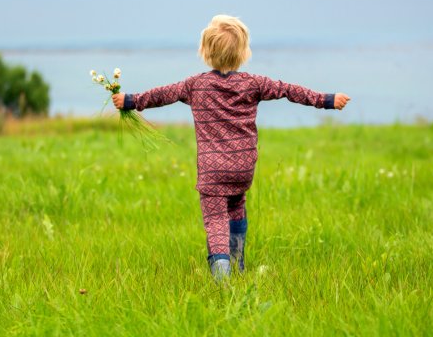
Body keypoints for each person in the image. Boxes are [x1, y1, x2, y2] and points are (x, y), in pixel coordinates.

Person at [112, 15, 350, 281]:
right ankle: (238, 266)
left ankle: (222, 279)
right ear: (243, 53)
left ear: (205, 51)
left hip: (213, 171)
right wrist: (327, 100)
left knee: (215, 222)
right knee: (236, 207)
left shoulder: (195, 85)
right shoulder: (254, 83)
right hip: (243, 169)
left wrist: (129, 100)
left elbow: (160, 95)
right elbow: (288, 90)